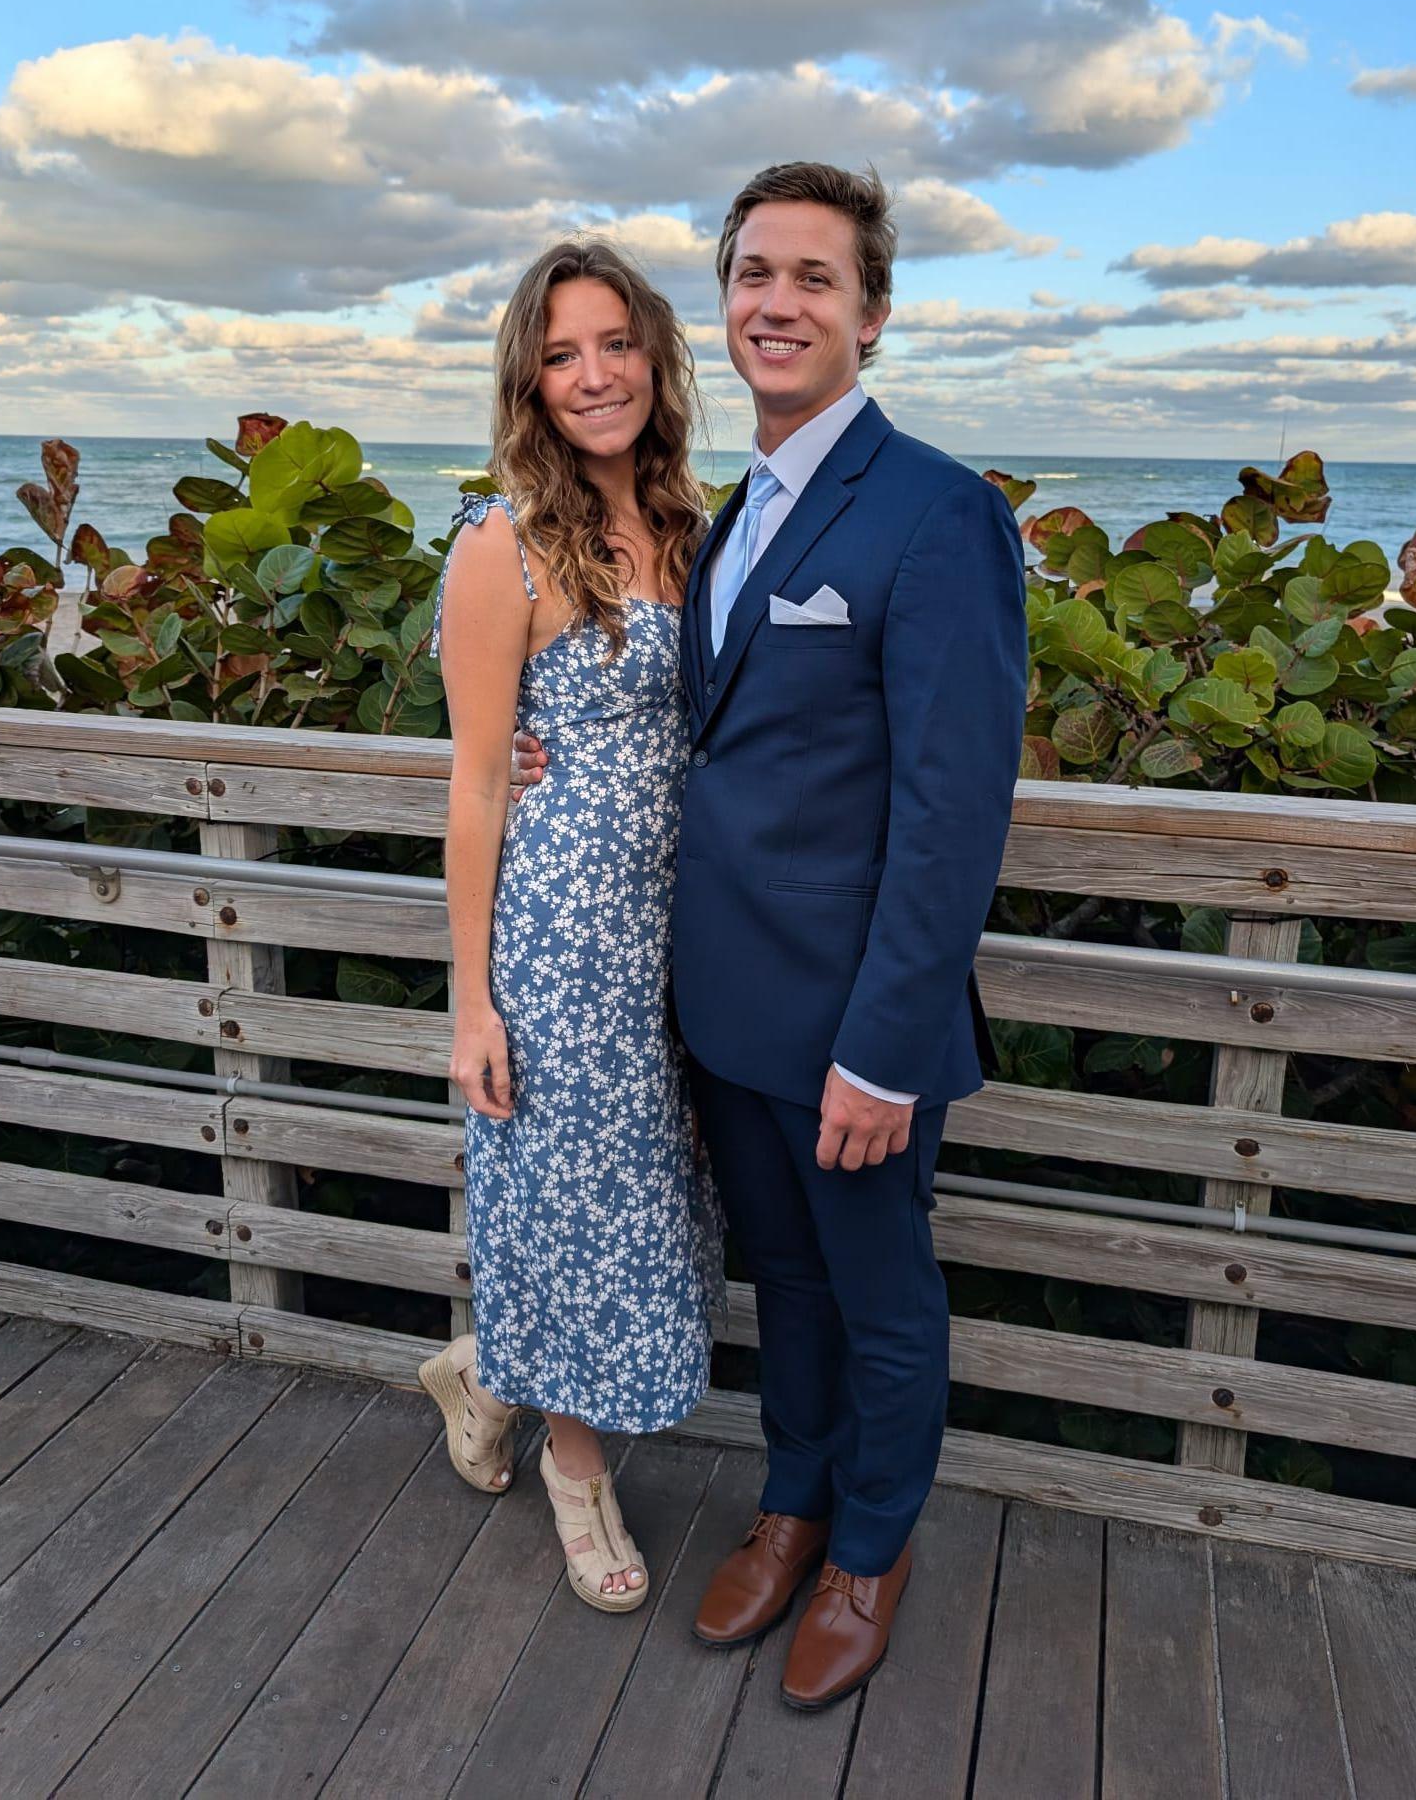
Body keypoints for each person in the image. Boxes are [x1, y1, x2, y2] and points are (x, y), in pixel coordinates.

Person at [514, 162, 1027, 1706]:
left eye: (815, 276)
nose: (778, 302)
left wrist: (884, 1052)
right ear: (724, 305)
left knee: (882, 1302)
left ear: (873, 312)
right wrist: (536, 749)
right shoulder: (730, 519)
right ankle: (791, 1508)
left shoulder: (939, 513)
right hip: (728, 1012)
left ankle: (869, 1550)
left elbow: (951, 815)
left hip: (855, 1029)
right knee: (786, 1290)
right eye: (754, 274)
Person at [421, 236, 723, 1613]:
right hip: (560, 942)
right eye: (560, 355)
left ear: (655, 358)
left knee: (652, 1194)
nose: (594, 375)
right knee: (584, 1202)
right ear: (530, 385)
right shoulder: (507, 545)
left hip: (687, 931)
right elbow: (480, 780)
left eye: (615, 344)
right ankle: (577, 1470)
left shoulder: (697, 530)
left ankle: (487, 1377)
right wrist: (472, 1002)